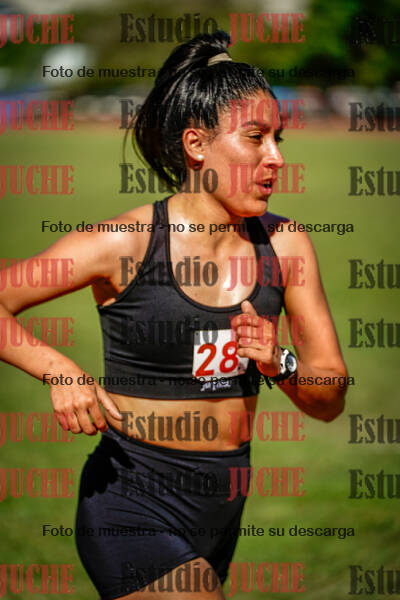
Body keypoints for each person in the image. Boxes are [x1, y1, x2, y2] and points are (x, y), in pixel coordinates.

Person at [0, 30, 347, 600]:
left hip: (222, 506)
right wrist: (59, 372)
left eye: (278, 139)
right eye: (256, 138)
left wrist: (279, 362)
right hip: (131, 500)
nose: (276, 159)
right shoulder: (126, 243)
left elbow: (330, 399)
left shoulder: (286, 245)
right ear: (196, 144)